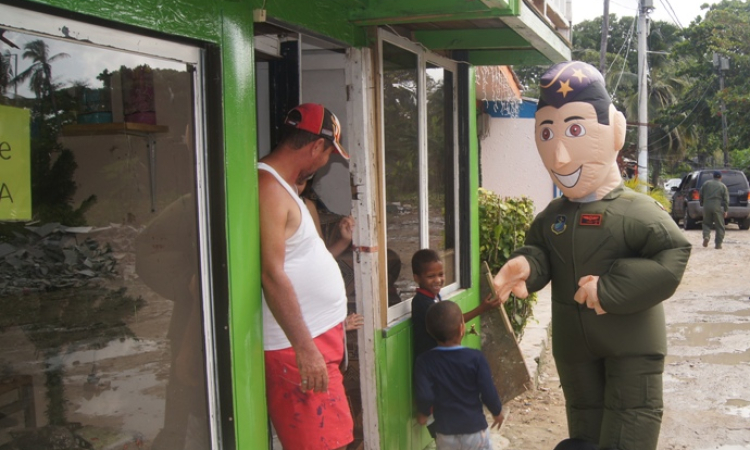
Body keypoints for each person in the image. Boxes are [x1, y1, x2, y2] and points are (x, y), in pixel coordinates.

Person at [491, 61, 692, 450]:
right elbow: (542, 252)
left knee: (629, 431)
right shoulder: (554, 216)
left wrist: (611, 288)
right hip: (575, 348)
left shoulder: (636, 211)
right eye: (546, 132)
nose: (560, 156)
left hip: (631, 345)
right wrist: (526, 266)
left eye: (576, 129)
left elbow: (674, 253)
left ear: (615, 131)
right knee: (584, 434)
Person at [259, 103, 353, 450]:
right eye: (329, 154)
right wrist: (305, 349)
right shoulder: (267, 188)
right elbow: (271, 274)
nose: (325, 162)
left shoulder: (282, 188)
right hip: (297, 348)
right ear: (316, 146)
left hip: (314, 344)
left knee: (335, 440)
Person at [413, 300, 504, 450]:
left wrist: (423, 412)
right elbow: (488, 390)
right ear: (462, 329)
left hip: (445, 433)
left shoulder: (424, 361)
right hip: (475, 430)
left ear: (429, 332)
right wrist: (497, 411)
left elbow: (425, 395)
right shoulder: (476, 358)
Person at [411, 249, 500, 360]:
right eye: (431, 276)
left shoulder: (434, 296)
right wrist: (482, 309)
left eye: (441, 274)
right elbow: (449, 323)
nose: (438, 280)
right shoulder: (422, 303)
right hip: (431, 364)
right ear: (416, 278)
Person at [699, 170, 729, 249]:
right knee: (719, 226)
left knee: (706, 223)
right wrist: (725, 210)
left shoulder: (706, 184)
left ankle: (706, 236)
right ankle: (718, 244)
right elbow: (726, 199)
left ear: (713, 176)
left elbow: (701, 194)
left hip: (706, 206)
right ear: (720, 177)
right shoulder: (722, 186)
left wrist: (701, 203)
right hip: (717, 206)